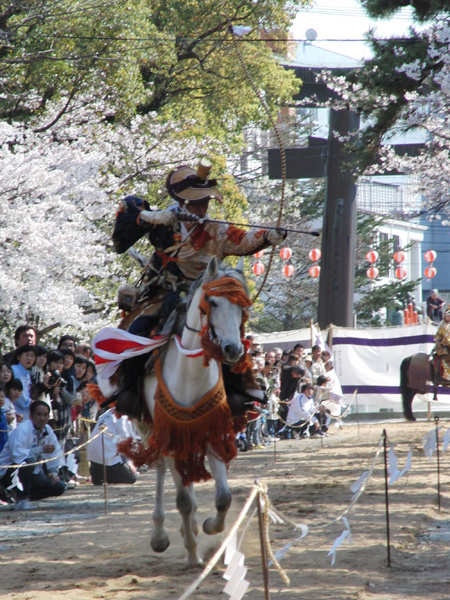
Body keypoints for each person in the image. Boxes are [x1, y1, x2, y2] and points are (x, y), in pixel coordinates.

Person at [110, 161, 287, 415]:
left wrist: (268, 236)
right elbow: (125, 223)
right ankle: (128, 391)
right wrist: (151, 217)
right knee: (137, 330)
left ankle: (240, 392)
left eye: (205, 202)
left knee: (229, 334)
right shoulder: (164, 219)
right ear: (183, 202)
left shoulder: (216, 228)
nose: (203, 207)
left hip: (205, 294)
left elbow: (244, 240)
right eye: (197, 202)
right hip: (163, 292)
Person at [0, 400, 65, 510]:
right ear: (31, 416)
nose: (42, 418)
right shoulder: (23, 429)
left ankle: (26, 496)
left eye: (45, 415)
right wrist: (40, 449)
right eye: (38, 414)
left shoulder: (47, 430)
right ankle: (21, 498)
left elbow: (55, 451)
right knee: (27, 462)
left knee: (59, 486)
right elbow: (18, 456)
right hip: (9, 472)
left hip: (33, 473)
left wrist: (53, 472)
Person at [87, 409, 138, 485]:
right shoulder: (122, 416)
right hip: (109, 458)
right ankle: (106, 475)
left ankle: (99, 475)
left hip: (95, 458)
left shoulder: (106, 414)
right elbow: (125, 439)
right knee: (132, 478)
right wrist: (129, 462)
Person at [11, 344, 36, 420]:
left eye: (32, 356)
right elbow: (18, 395)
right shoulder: (14, 370)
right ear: (19, 357)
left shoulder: (28, 373)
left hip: (26, 414)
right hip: (16, 411)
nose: (29, 358)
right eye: (27, 355)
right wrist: (31, 403)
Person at [433, 307, 450, 380]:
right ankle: (446, 374)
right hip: (444, 345)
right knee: (444, 357)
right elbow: (437, 336)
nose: (448, 317)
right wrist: (438, 342)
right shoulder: (442, 325)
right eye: (447, 316)